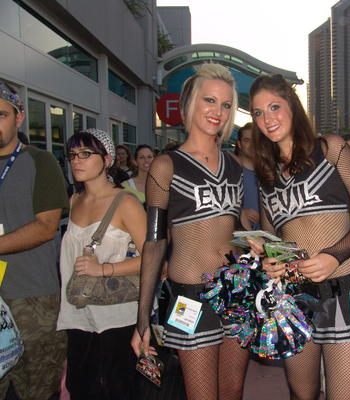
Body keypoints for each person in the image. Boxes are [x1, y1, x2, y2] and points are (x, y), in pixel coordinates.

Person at [249, 74, 350, 400]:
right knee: (302, 394)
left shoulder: (329, 148)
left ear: (292, 106)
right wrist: (269, 259)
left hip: (345, 289)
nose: (267, 119)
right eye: (258, 112)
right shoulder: (266, 173)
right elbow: (272, 237)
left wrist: (333, 255)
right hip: (294, 297)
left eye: (274, 107)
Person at [131, 63, 249, 400]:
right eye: (209, 100)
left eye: (226, 104)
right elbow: (155, 243)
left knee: (233, 392)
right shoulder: (166, 165)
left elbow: (233, 230)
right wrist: (142, 319)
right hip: (190, 296)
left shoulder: (235, 165)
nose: (218, 111)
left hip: (235, 290)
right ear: (190, 104)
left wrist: (254, 245)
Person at [56, 129, 146, 400]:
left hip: (116, 315)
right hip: (77, 313)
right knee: (82, 388)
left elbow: (155, 260)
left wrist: (104, 269)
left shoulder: (125, 202)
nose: (77, 160)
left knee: (118, 390)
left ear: (107, 159)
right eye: (73, 155)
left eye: (86, 154)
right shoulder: (74, 200)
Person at [0, 81, 69, 399]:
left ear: (19, 117)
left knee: (38, 389)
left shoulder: (40, 162)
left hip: (33, 299)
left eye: (1, 115)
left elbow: (45, 227)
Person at [234, 122, 260, 230]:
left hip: (268, 236)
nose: (252, 145)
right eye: (246, 140)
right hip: (241, 235)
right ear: (239, 144)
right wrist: (241, 212)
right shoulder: (231, 171)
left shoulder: (268, 172)